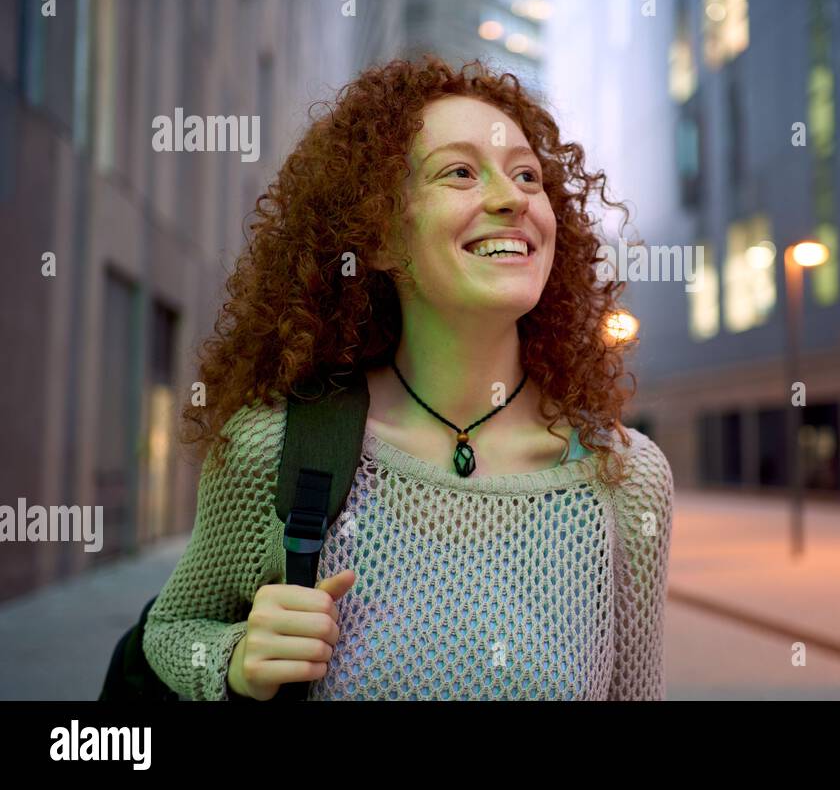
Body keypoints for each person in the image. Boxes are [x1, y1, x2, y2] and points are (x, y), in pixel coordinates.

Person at [141, 56, 674, 700]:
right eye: (459, 172)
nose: (512, 199)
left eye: (527, 176)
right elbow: (173, 628)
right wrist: (234, 658)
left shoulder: (626, 478)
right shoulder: (275, 448)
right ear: (382, 236)